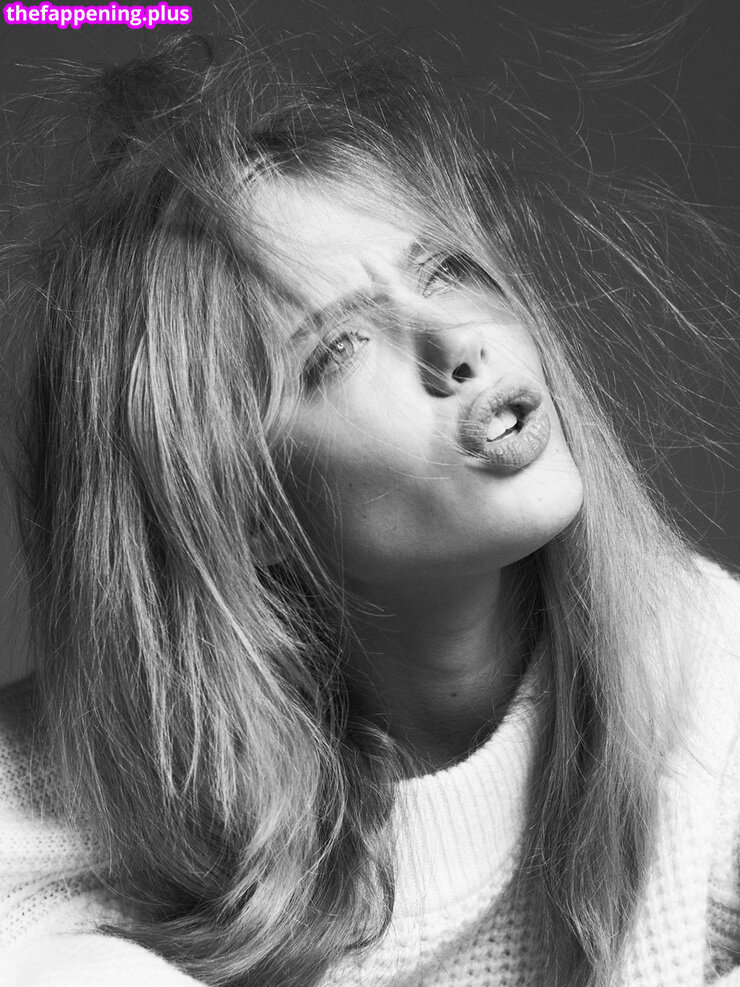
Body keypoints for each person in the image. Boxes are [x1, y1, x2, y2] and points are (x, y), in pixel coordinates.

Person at [1, 29, 739, 987]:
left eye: (444, 271)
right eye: (339, 346)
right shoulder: (49, 799)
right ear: (240, 514)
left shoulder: (707, 680)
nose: (455, 342)